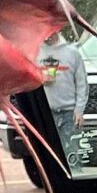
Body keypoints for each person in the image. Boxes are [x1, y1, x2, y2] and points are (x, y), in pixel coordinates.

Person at [38, 31, 85, 165]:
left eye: (50, 33)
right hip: (46, 112)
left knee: (72, 151)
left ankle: (75, 179)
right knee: (50, 153)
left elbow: (81, 84)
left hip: (68, 112)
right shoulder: (34, 52)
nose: (47, 37)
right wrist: (40, 78)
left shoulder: (72, 53)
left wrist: (79, 110)